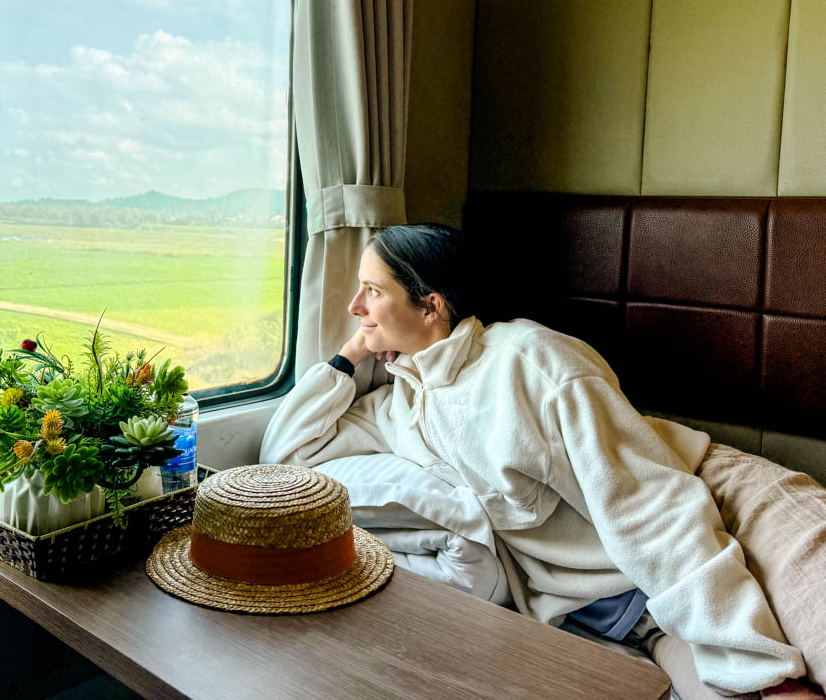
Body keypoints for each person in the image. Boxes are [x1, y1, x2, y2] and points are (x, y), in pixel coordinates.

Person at [260, 223, 808, 699]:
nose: (355, 308)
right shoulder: (404, 401)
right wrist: (349, 356)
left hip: (711, 507)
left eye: (372, 291)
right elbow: (286, 456)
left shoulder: (530, 365)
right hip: (615, 604)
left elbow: (651, 508)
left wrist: (766, 671)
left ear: (431, 305)